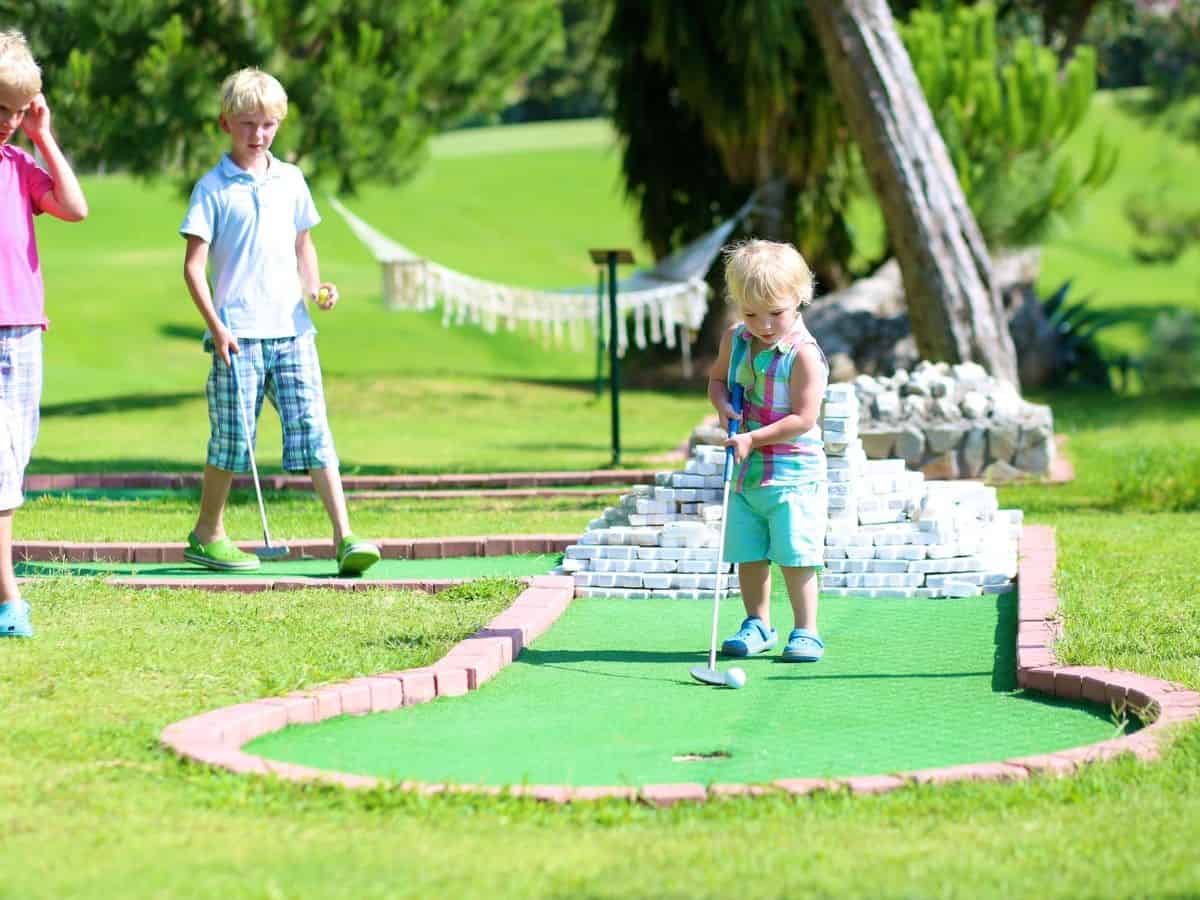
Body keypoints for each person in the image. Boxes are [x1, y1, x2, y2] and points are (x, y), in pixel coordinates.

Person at [179, 68, 379, 576]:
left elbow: (302, 246)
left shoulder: (291, 180)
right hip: (237, 336)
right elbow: (193, 268)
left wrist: (315, 289)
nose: (259, 134)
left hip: (293, 331)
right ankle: (208, 534)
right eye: (248, 123)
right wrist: (217, 327)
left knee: (313, 428)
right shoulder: (211, 188)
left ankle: (344, 536)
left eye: (268, 124)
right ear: (227, 122)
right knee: (232, 438)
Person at [0, 31, 88, 638]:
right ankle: (10, 597)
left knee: (13, 461)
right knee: (1, 469)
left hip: (24, 333)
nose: (6, 122)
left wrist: (42, 136)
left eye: (15, 111)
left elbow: (75, 207)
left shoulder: (19, 166)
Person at [707, 239, 829, 662]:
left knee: (795, 554)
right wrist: (723, 408)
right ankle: (757, 623)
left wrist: (752, 438)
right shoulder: (736, 340)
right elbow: (718, 382)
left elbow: (803, 418)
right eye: (750, 313)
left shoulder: (804, 356)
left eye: (775, 313)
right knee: (749, 552)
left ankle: (806, 630)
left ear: (798, 298)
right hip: (745, 471)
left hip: (792, 473)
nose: (763, 325)